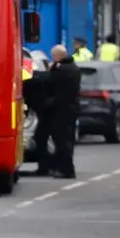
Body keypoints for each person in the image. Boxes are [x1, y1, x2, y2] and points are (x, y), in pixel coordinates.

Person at [35, 43, 81, 179]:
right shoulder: (72, 67)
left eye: (53, 56)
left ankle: (66, 170)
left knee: (62, 140)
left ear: (57, 56)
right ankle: (52, 166)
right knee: (56, 138)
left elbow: (48, 80)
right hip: (66, 110)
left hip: (62, 111)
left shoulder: (63, 70)